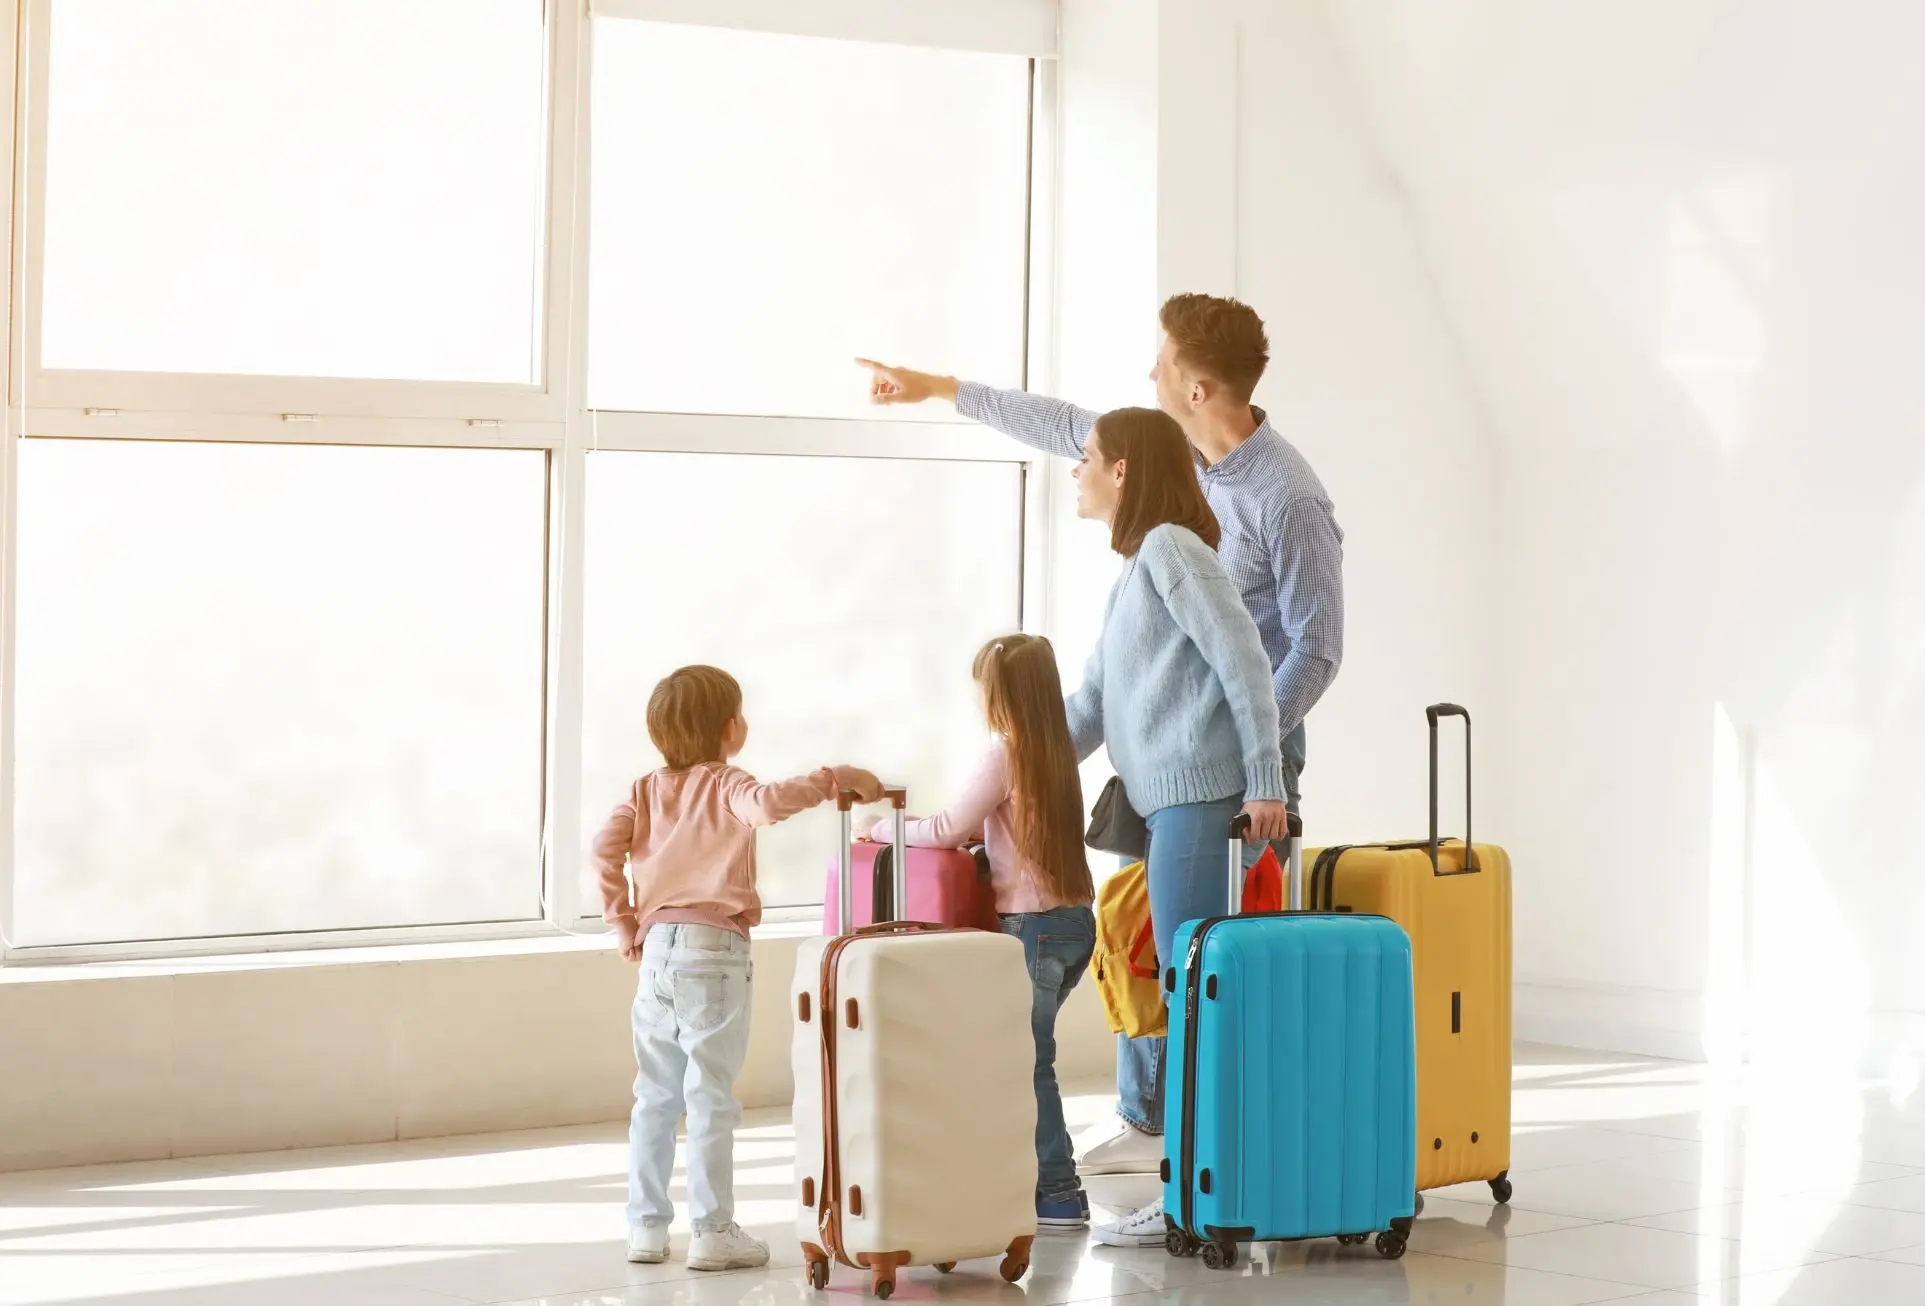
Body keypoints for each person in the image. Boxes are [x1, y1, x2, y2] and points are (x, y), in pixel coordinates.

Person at [858, 293, 1346, 1216]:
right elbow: (1093, 701)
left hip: (1229, 783)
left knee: (1202, 982)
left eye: (1157, 364)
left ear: (1192, 390)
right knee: (1154, 963)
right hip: (1167, 783)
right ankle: (1161, 1132)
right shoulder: (1151, 520)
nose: (1144, 379)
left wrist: (1260, 773)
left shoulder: (1263, 504)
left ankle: (1208, 1177)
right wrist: (939, 389)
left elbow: (1285, 655)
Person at [1056, 405, 1290, 1246]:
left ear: (1123, 471)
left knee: (1191, 999)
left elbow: (1246, 659)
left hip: (1200, 804)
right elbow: (1088, 705)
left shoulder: (1171, 550)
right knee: (1184, 992)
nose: (1074, 471)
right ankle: (1199, 1181)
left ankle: (1193, 1194)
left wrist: (1266, 778)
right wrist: (1013, 769)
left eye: (1086, 458)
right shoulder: (1133, 575)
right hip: (1168, 810)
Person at [592, 665, 884, 1270]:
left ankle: (645, 1229)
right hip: (713, 951)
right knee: (710, 1097)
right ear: (731, 728)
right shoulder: (726, 783)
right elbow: (768, 806)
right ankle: (712, 1231)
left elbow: (604, 848)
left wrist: (623, 921)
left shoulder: (643, 789)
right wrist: (836, 780)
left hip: (656, 950)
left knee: (654, 1095)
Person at [866, 633, 1097, 1232]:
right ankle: (1034, 1181)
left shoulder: (1005, 750)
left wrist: (886, 826)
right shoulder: (1057, 749)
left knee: (1029, 1062)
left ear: (999, 695)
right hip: (1074, 925)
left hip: (1033, 929)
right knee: (1027, 1056)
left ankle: (1058, 1192)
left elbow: (944, 829)